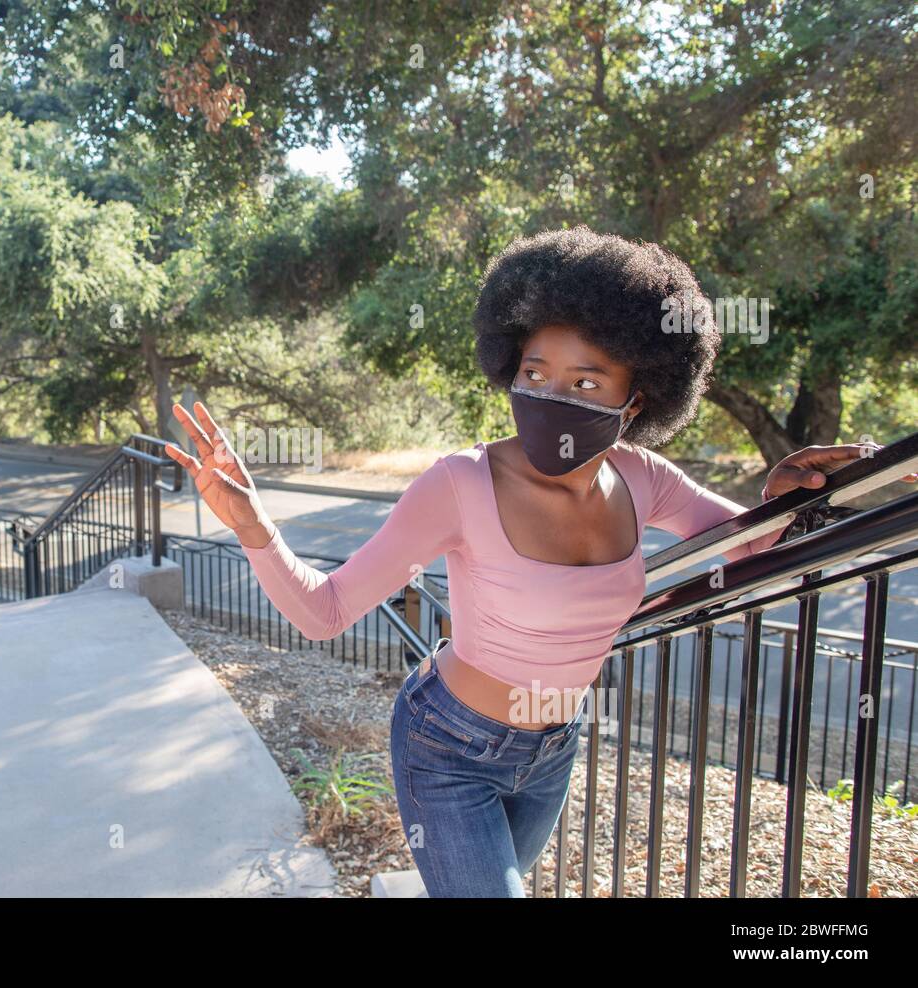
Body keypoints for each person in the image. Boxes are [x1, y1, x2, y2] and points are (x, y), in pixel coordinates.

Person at [165, 225, 912, 897]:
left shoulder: (641, 478)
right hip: (448, 747)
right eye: (535, 372)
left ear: (635, 399)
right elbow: (324, 613)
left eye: (586, 382)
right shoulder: (459, 484)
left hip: (554, 745)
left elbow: (750, 541)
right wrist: (251, 521)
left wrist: (785, 492)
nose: (552, 394)